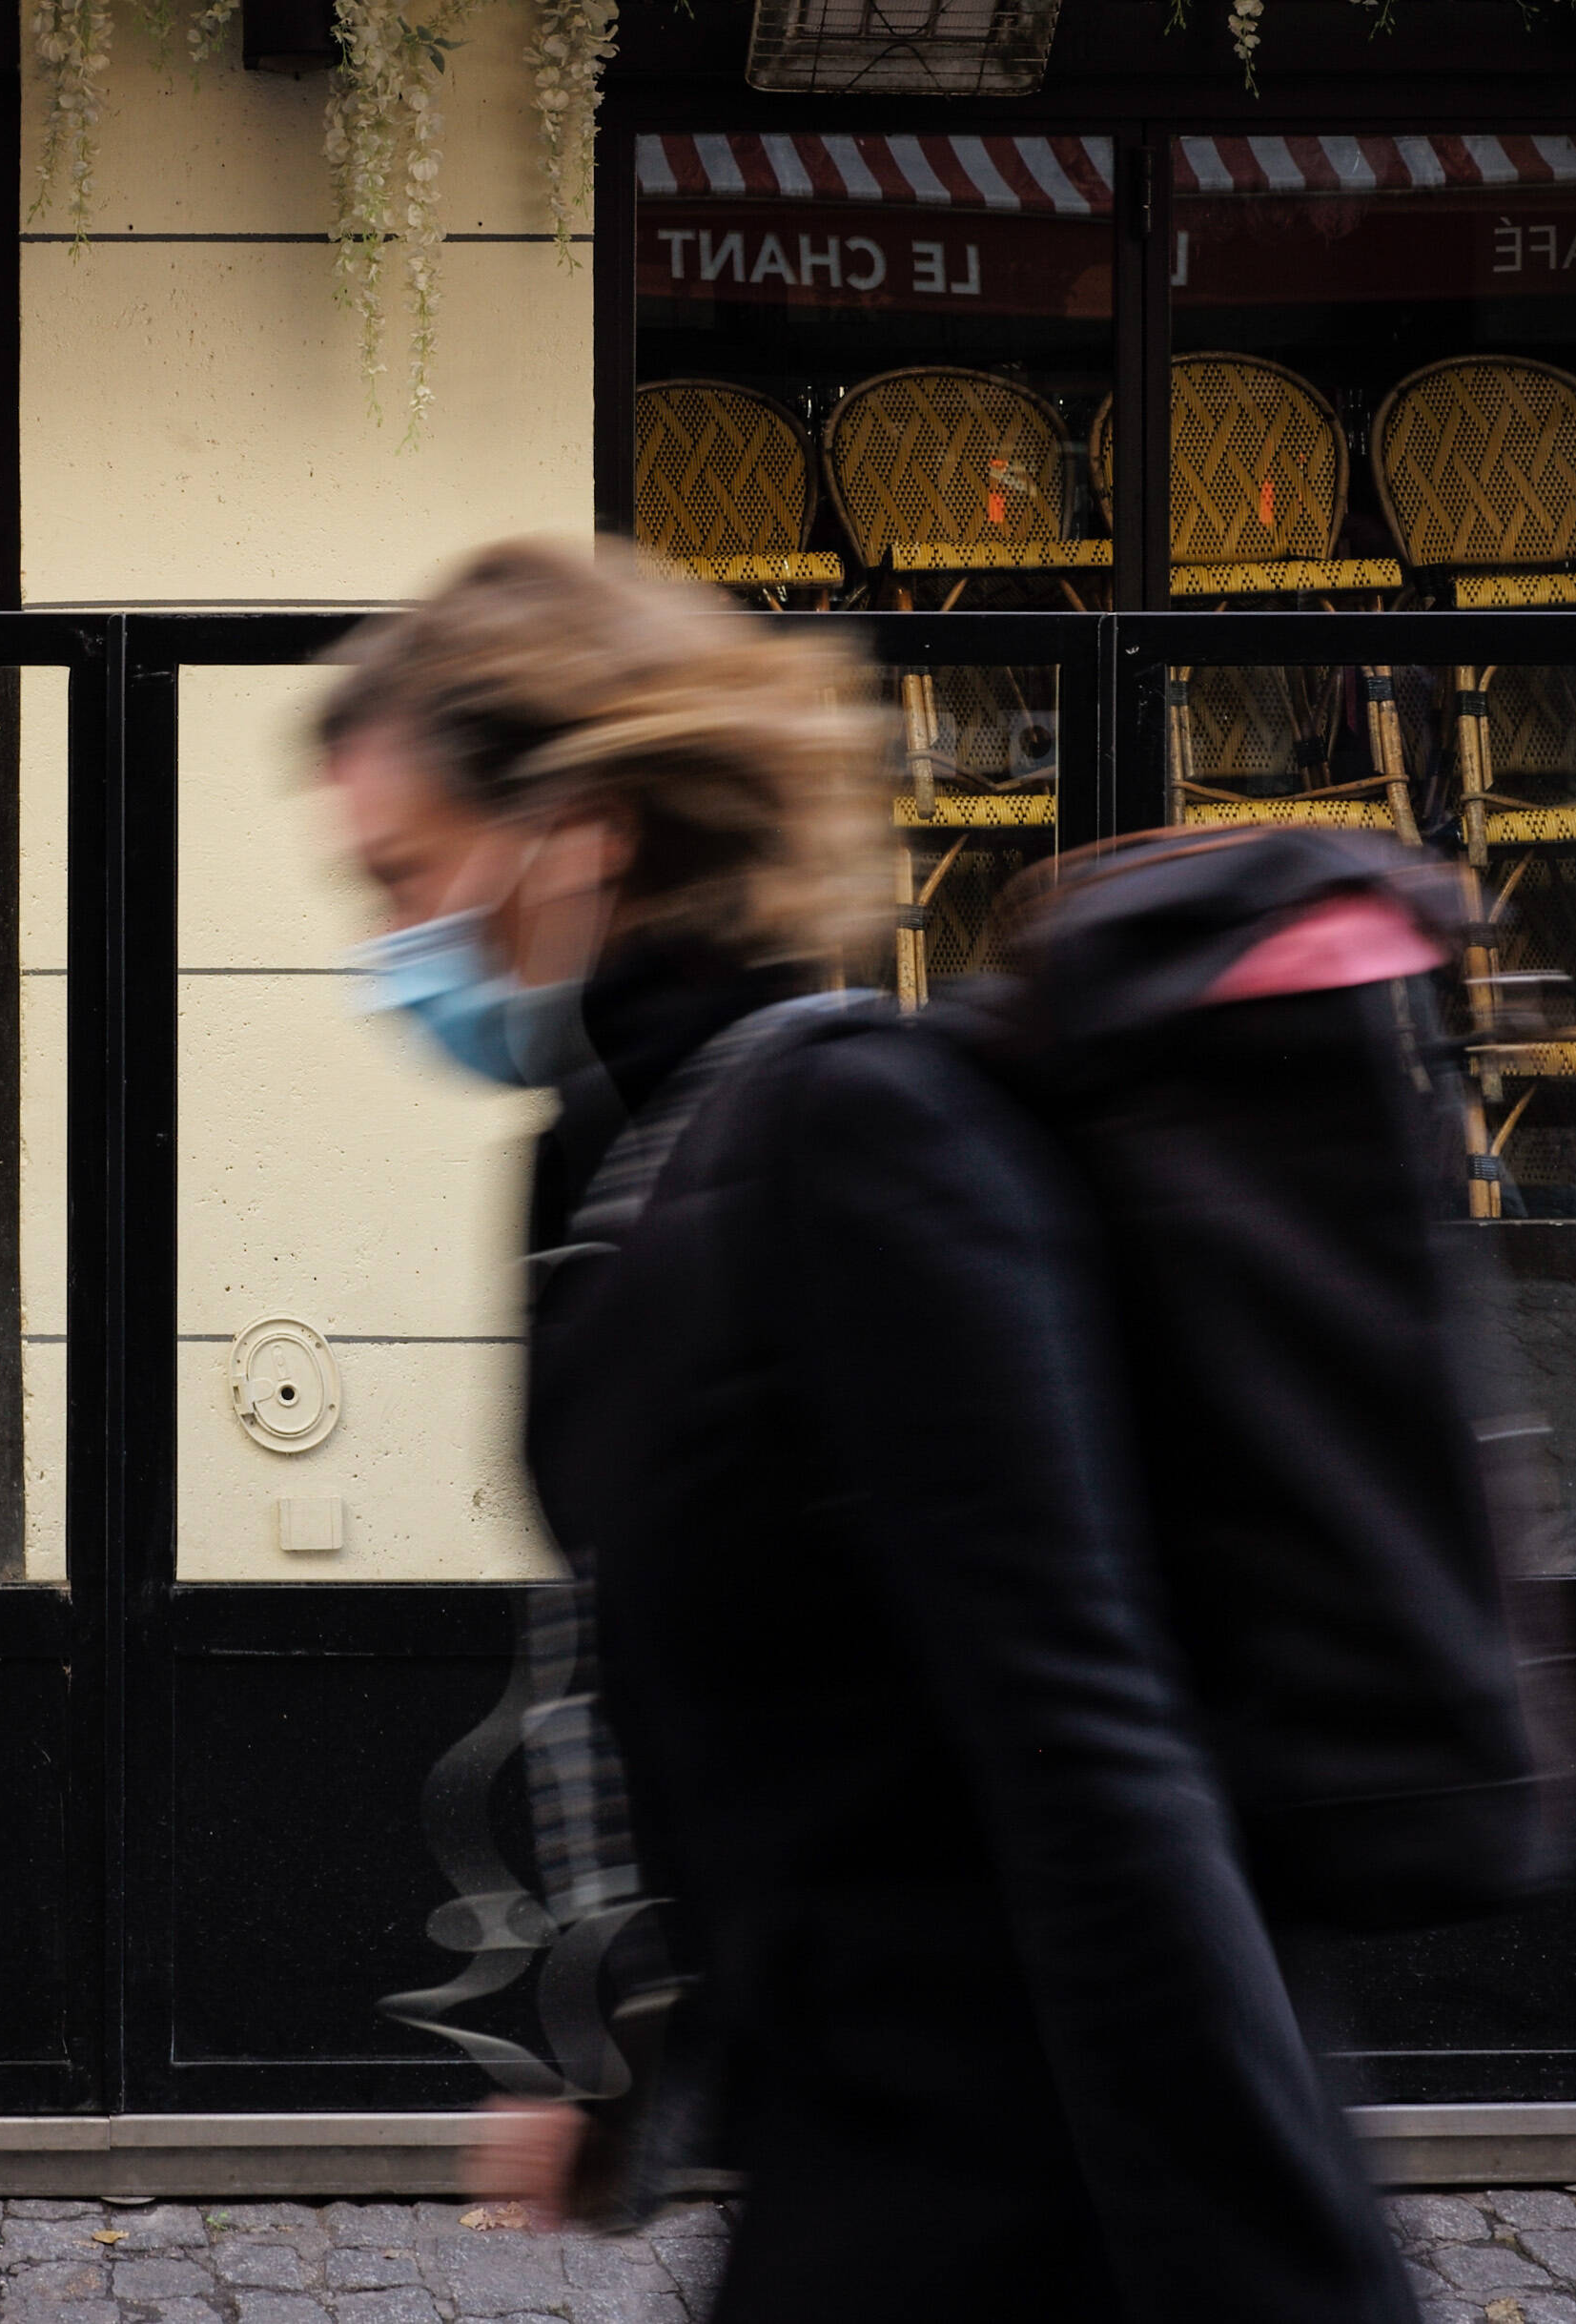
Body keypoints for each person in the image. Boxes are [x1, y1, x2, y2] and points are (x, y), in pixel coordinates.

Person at [316, 537, 1413, 2324]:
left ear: (580, 828)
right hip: (860, 2147)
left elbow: (1091, 1737)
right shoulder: (610, 1157)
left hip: (1044, 2190)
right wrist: (622, 2068)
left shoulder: (859, 1132)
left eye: (406, 875)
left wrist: (1287, 2280)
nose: (392, 946)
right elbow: (723, 1682)